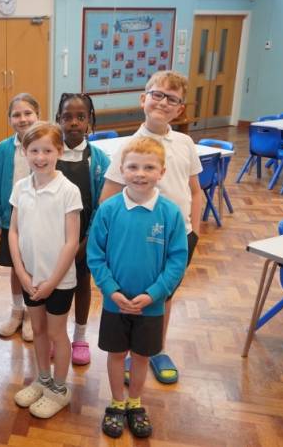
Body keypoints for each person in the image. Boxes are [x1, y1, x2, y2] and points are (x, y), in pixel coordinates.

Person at [99, 70, 203, 384]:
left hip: (178, 236)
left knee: (163, 296)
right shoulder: (127, 146)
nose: (163, 102)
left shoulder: (185, 142)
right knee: (133, 294)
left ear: (180, 108)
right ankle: (130, 351)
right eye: (157, 94)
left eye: (172, 99)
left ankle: (153, 349)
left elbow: (195, 190)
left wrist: (194, 230)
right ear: (144, 99)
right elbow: (108, 200)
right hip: (137, 241)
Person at [88, 137, 188, 438]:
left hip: (151, 305)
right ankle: (117, 403)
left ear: (162, 172)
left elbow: (177, 260)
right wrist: (111, 291)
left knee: (141, 357)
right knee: (116, 354)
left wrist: (153, 294)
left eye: (149, 167)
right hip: (114, 302)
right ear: (122, 169)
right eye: (133, 167)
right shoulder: (108, 210)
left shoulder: (170, 213)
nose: (140, 173)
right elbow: (95, 256)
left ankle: (135, 403)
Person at [10, 122, 81, 419]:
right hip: (31, 278)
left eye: (47, 150)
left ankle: (60, 388)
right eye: (34, 150)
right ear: (25, 153)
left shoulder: (68, 190)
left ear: (59, 152)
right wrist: (23, 274)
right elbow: (13, 232)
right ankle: (42, 379)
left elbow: (72, 241)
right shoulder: (20, 188)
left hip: (59, 281)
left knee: (56, 333)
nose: (41, 157)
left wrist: (52, 281)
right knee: (37, 329)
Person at [54, 93, 110, 366]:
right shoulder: (49, 153)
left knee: (81, 283)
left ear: (89, 120)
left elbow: (102, 202)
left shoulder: (98, 159)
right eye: (67, 117)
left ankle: (80, 336)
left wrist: (87, 240)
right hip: (53, 234)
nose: (74, 123)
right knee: (56, 285)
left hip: (86, 233)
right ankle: (59, 335)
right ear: (58, 120)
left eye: (80, 117)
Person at [0, 93, 39, 343]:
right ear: (10, 118)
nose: (23, 119)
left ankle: (32, 314)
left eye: (28, 113)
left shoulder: (45, 144)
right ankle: (17, 311)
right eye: (17, 114)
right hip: (12, 217)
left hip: (39, 217)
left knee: (34, 266)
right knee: (15, 267)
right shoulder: (3, 149)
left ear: (38, 115)